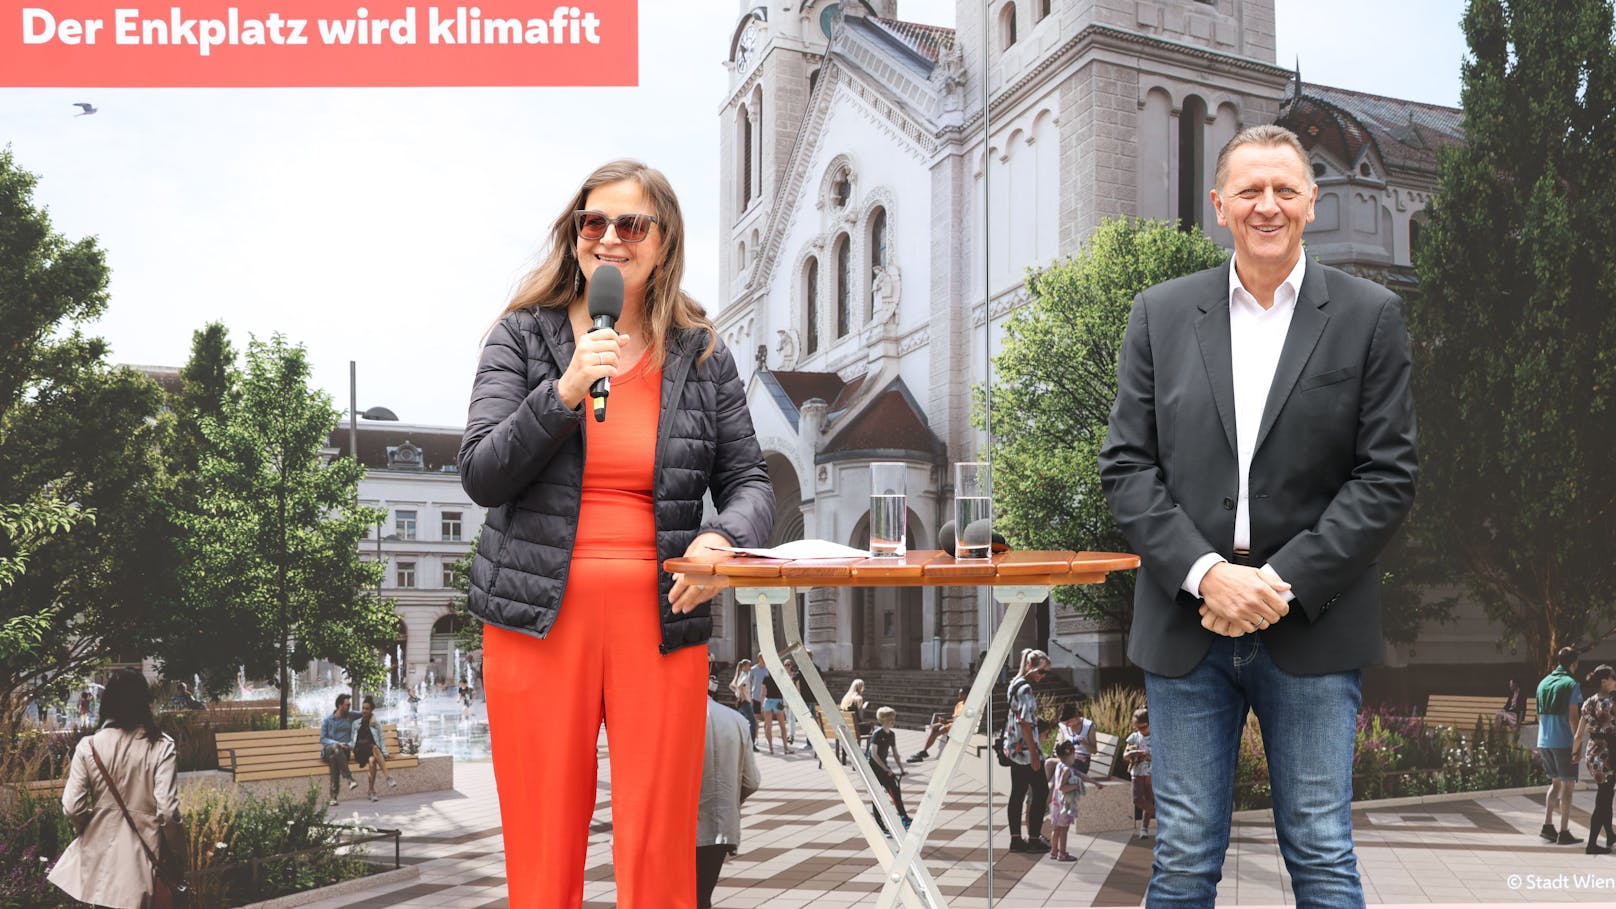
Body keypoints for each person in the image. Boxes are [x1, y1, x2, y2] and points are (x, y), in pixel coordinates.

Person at [1098, 124, 1419, 908]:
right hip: (1186, 624)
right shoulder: (1160, 314)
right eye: (1249, 190)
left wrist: (1276, 581)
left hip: (1312, 620)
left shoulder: (1369, 315)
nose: (1267, 205)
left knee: (1320, 852)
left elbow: (1386, 476)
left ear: (1312, 200)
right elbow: (1126, 467)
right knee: (1179, 859)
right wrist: (1208, 575)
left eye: (1284, 189)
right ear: (1220, 206)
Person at [458, 159, 774, 909]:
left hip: (660, 616)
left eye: (630, 225)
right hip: (537, 619)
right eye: (591, 223)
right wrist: (564, 390)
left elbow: (751, 483)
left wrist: (722, 540)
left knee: (661, 845)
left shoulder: (701, 354)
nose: (608, 239)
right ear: (574, 238)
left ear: (662, 243)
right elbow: (481, 471)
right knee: (543, 843)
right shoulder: (522, 336)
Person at [48, 668, 186, 909]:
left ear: (107, 702)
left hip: (99, 863)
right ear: (144, 702)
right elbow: (167, 811)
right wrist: (177, 854)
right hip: (144, 863)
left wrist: (89, 829)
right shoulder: (161, 745)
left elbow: (72, 807)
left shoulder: (88, 746)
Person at [696, 692, 761, 909]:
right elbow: (751, 781)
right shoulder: (736, 719)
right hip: (721, 825)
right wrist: (730, 803)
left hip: (678, 828)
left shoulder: (670, 716)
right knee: (703, 894)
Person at [1004, 648, 1052, 854]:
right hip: (1025, 750)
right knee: (1041, 791)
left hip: (1014, 747)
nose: (1043, 676)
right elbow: (1025, 722)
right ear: (1030, 666)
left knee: (1018, 793)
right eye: (1042, 671)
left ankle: (1016, 839)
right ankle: (1033, 838)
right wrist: (1034, 753)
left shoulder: (1014, 683)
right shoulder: (1026, 689)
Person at [1538, 646, 1584, 845]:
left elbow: (1538, 714)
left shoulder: (1544, 682)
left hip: (1544, 740)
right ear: (1574, 663)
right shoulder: (1571, 683)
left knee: (1555, 783)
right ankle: (1564, 832)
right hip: (1563, 741)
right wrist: (1577, 744)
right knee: (1568, 786)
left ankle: (1547, 826)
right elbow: (1574, 718)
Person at [1572, 665, 1616, 855]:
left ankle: (1611, 835)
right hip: (1609, 755)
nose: (1615, 679)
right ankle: (1592, 844)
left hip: (1593, 754)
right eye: (1613, 677)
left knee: (1606, 794)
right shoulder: (1613, 702)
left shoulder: (1588, 702)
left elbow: (1579, 735)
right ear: (1604, 681)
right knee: (1604, 800)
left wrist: (1574, 755)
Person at [1047, 739, 1105, 862]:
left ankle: (1053, 852)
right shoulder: (1067, 770)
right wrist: (1076, 787)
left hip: (1056, 803)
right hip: (1065, 804)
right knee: (1064, 830)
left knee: (1056, 828)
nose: (1075, 757)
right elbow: (1062, 788)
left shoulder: (1060, 766)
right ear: (1070, 754)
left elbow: (1081, 775)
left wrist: (1095, 783)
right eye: (1074, 754)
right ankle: (1062, 853)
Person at [866, 706, 910, 830]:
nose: (893, 721)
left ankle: (904, 818)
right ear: (882, 720)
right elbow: (873, 754)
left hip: (883, 768)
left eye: (893, 718)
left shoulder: (891, 734)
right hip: (873, 768)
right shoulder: (877, 734)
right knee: (878, 796)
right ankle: (879, 823)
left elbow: (895, 753)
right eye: (890, 719)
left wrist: (901, 769)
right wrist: (886, 769)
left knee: (895, 791)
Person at [350, 696, 398, 801]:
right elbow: (353, 740)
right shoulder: (356, 723)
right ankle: (388, 777)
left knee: (372, 761)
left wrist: (385, 752)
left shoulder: (376, 724)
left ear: (371, 710)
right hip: (359, 750)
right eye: (363, 708)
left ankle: (371, 791)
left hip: (371, 750)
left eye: (367, 708)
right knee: (375, 748)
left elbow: (381, 739)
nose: (364, 710)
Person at [908, 688, 967, 763]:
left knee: (936, 732)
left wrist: (946, 721)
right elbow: (954, 716)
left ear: (966, 695)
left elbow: (962, 719)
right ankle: (924, 751)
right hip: (953, 722)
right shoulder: (959, 704)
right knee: (934, 727)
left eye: (961, 693)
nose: (959, 695)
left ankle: (924, 752)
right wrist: (943, 720)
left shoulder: (968, 706)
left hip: (959, 725)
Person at [321, 693, 359, 807]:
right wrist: (338, 743)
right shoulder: (328, 720)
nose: (349, 707)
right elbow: (323, 739)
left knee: (334, 759)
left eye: (349, 705)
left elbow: (366, 713)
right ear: (339, 705)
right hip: (329, 749)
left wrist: (372, 717)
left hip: (343, 753)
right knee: (335, 749)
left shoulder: (351, 716)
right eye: (347, 705)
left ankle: (333, 797)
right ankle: (349, 778)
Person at [1123, 708, 1155, 839]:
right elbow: (1125, 756)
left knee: (1148, 799)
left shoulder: (1156, 736)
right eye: (1138, 727)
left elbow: (1161, 757)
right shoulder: (1134, 737)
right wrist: (1131, 753)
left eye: (1144, 727)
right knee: (1137, 799)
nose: (1141, 730)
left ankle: (1144, 828)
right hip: (1136, 772)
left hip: (1151, 772)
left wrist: (1148, 756)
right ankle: (1161, 814)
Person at [1055, 702, 1098, 773]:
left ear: (1075, 716)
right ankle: (1050, 784)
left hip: (1082, 760)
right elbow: (1060, 744)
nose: (1067, 725)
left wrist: (1083, 743)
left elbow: (1094, 750)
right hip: (1067, 757)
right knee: (1049, 763)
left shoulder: (1088, 726)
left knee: (1064, 769)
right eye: (1065, 724)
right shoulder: (1063, 726)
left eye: (1069, 722)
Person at [760, 663, 788, 753]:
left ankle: (771, 748)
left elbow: (763, 693)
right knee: (782, 726)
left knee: (768, 726)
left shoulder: (766, 678)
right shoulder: (779, 678)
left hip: (768, 701)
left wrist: (761, 704)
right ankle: (785, 748)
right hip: (778, 701)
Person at [730, 659, 757, 749]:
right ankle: (751, 745)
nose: (750, 667)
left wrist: (738, 694)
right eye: (749, 665)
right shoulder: (744, 676)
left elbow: (732, 686)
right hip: (744, 702)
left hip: (741, 702)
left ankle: (740, 743)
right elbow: (740, 686)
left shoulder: (740, 675)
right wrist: (743, 697)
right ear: (744, 666)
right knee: (753, 722)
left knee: (742, 723)